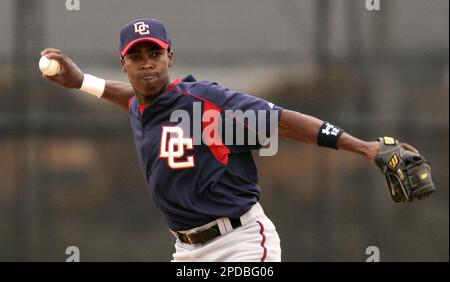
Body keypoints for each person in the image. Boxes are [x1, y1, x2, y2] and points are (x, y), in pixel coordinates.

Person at [41, 18, 419, 262]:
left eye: (154, 53)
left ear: (169, 57)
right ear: (124, 64)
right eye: (135, 56)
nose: (146, 63)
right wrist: (82, 82)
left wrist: (364, 147)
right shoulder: (142, 105)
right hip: (186, 252)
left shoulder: (204, 103)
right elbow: (131, 96)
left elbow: (283, 123)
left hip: (241, 244)